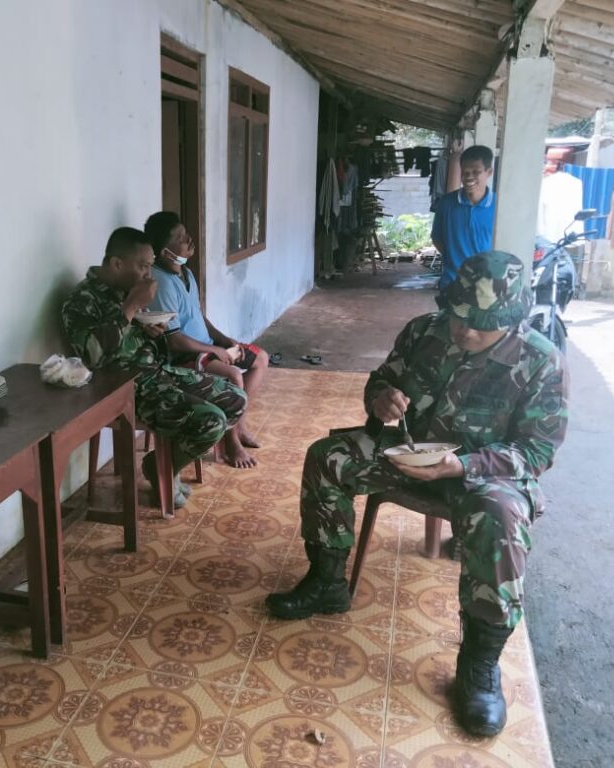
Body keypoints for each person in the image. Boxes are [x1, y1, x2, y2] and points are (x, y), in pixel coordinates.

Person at [265, 251, 568, 738]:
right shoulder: (424, 331)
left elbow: (536, 451)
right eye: (459, 316)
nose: (465, 331)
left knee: (501, 517)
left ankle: (479, 666)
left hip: (483, 473)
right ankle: (326, 581)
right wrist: (381, 398)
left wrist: (463, 465)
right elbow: (383, 378)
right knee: (329, 456)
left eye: (481, 325)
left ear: (511, 320)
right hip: (408, 452)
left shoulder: (540, 361)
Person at [62, 227, 247, 508]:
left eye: (150, 266)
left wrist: (152, 331)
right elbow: (94, 357)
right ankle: (164, 472)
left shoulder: (127, 290)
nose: (149, 274)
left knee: (235, 399)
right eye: (143, 266)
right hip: (120, 389)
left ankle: (161, 466)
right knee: (211, 420)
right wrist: (131, 306)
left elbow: (136, 338)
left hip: (157, 374)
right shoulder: (81, 301)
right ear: (117, 264)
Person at [143, 211, 268, 469]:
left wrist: (223, 340)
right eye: (180, 238)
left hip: (207, 347)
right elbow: (175, 341)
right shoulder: (161, 284)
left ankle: (239, 424)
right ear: (165, 252)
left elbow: (199, 315)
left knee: (261, 358)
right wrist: (215, 350)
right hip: (187, 355)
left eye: (185, 233)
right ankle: (232, 443)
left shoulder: (186, 274)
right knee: (234, 374)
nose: (189, 239)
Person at [431, 145, 496, 293]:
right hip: (452, 284)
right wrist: (454, 258)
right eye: (465, 172)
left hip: (488, 287)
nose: (469, 177)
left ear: (489, 172)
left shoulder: (499, 206)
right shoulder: (446, 204)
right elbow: (437, 239)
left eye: (476, 172)